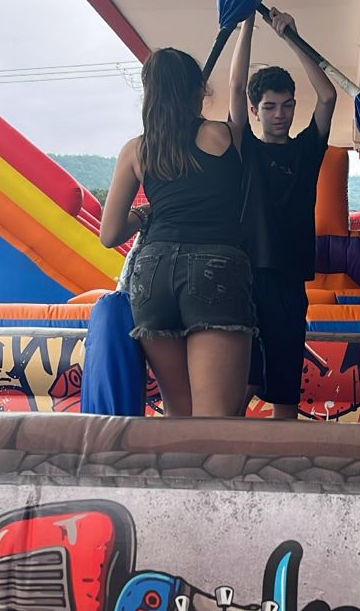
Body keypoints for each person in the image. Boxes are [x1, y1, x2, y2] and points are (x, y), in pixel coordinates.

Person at [101, 47, 255, 418]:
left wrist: (145, 212)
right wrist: (246, 26)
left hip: (152, 274)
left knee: (178, 413)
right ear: (199, 90)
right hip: (215, 268)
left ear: (150, 93)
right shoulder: (223, 135)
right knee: (215, 417)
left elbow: (110, 234)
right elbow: (237, 86)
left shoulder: (138, 150)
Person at [229, 9, 337, 419]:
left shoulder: (306, 151)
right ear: (256, 111)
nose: (280, 114)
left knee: (285, 394)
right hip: (246, 277)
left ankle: (281, 455)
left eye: (287, 106)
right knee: (240, 385)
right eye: (270, 106)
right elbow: (235, 87)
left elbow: (328, 97)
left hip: (290, 280)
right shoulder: (245, 149)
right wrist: (247, 23)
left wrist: (292, 36)